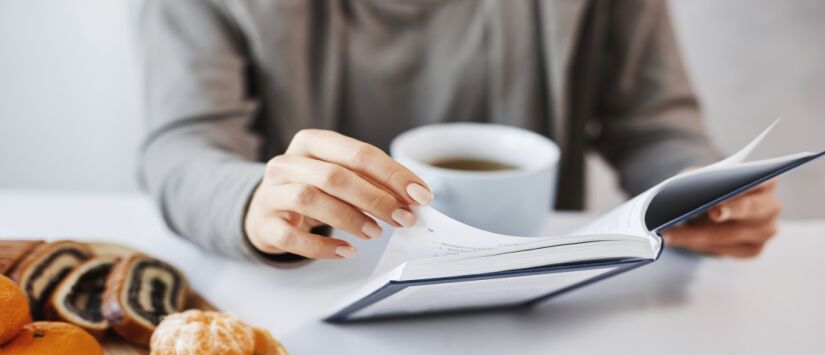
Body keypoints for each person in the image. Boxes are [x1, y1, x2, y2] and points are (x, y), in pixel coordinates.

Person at [140, 0, 781, 265]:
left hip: (539, 306)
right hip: (316, 292)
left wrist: (701, 193)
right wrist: (252, 202)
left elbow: (651, 123)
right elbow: (185, 146)